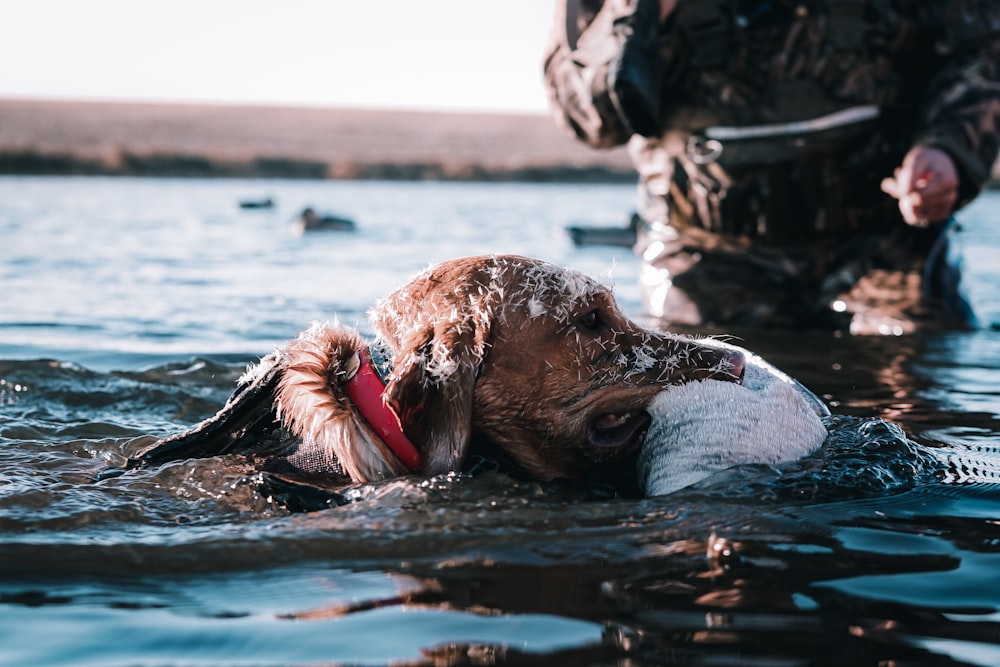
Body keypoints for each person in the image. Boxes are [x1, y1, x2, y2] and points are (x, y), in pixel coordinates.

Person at [544, 0, 1000, 334]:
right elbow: (589, 121)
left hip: (888, 242)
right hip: (703, 255)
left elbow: (982, 52)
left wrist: (950, 149)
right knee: (694, 407)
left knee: (922, 426)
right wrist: (640, 18)